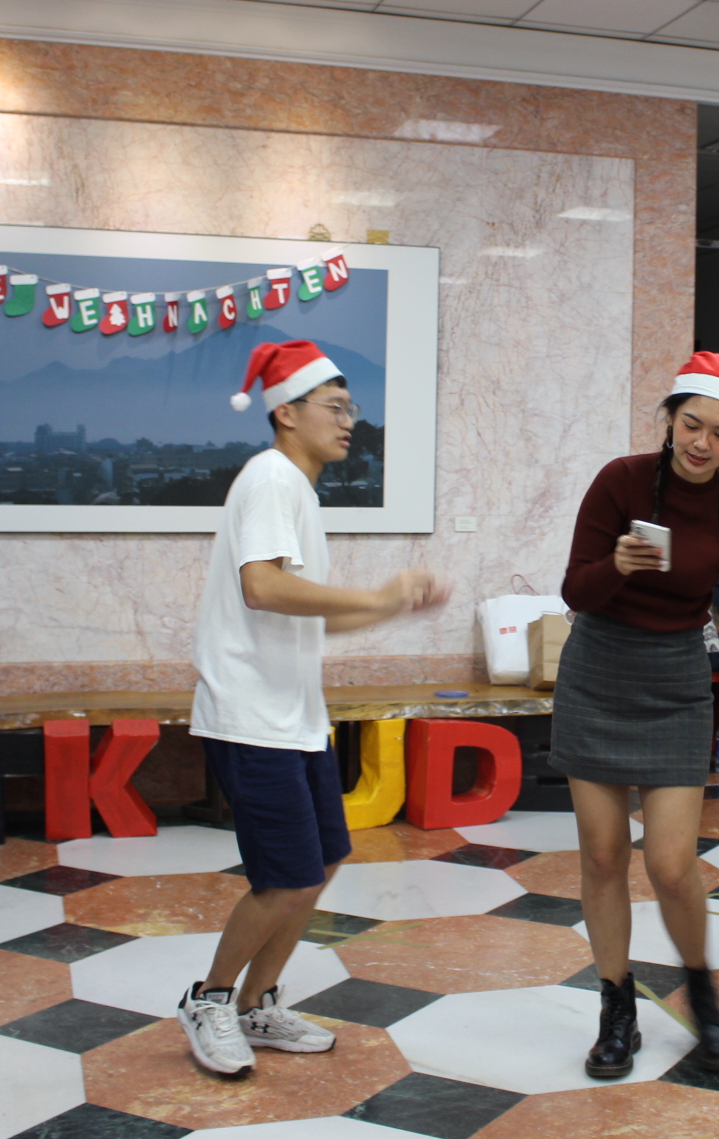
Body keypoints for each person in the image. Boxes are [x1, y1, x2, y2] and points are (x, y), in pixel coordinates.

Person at [179, 340, 449, 1078]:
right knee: (288, 877)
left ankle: (257, 1003)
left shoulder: (296, 489)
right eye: (334, 407)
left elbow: (308, 617)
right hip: (249, 715)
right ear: (286, 413)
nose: (349, 420)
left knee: (322, 861)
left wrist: (390, 606)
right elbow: (262, 586)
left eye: (350, 407)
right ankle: (209, 999)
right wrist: (376, 596)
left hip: (293, 715)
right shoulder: (271, 477)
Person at [551, 352, 719, 1079]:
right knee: (602, 856)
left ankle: (703, 994)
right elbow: (575, 591)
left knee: (673, 864)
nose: (701, 443)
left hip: (678, 679)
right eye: (691, 425)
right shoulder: (620, 482)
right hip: (598, 671)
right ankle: (616, 1008)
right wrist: (617, 564)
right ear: (670, 420)